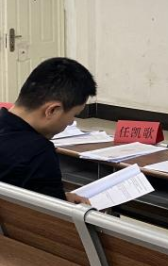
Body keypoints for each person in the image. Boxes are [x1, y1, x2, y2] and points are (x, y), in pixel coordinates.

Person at [0, 57, 97, 202]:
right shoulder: (38, 152)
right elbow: (53, 213)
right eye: (74, 115)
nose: (71, 122)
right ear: (52, 110)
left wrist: (62, 197)